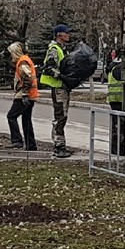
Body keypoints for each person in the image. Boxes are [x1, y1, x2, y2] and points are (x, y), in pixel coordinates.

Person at [39, 24, 74, 158]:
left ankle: (61, 144)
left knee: (62, 116)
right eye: (66, 33)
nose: (68, 35)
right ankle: (58, 146)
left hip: (63, 87)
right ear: (59, 34)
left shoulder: (63, 50)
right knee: (60, 116)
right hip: (58, 87)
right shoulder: (54, 49)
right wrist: (61, 76)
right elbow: (48, 67)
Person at [6, 41, 38, 151]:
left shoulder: (23, 62)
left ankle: (17, 141)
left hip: (23, 95)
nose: (11, 56)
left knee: (11, 116)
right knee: (26, 120)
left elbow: (28, 77)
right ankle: (31, 145)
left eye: (11, 53)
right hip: (31, 95)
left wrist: (24, 94)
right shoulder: (25, 59)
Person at [107, 48, 125, 156]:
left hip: (113, 99)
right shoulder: (121, 67)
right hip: (120, 99)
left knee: (116, 125)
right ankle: (119, 150)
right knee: (121, 126)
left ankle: (115, 149)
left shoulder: (112, 65)